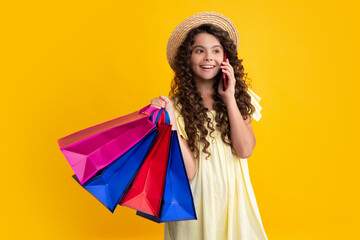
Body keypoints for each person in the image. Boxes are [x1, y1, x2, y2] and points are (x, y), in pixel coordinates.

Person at [150, 12, 268, 240]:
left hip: (234, 200)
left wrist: (230, 98)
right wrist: (172, 124)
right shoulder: (175, 108)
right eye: (199, 50)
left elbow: (245, 150)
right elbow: (190, 171)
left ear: (225, 58)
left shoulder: (239, 98)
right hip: (196, 203)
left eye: (216, 50)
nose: (208, 57)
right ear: (188, 57)